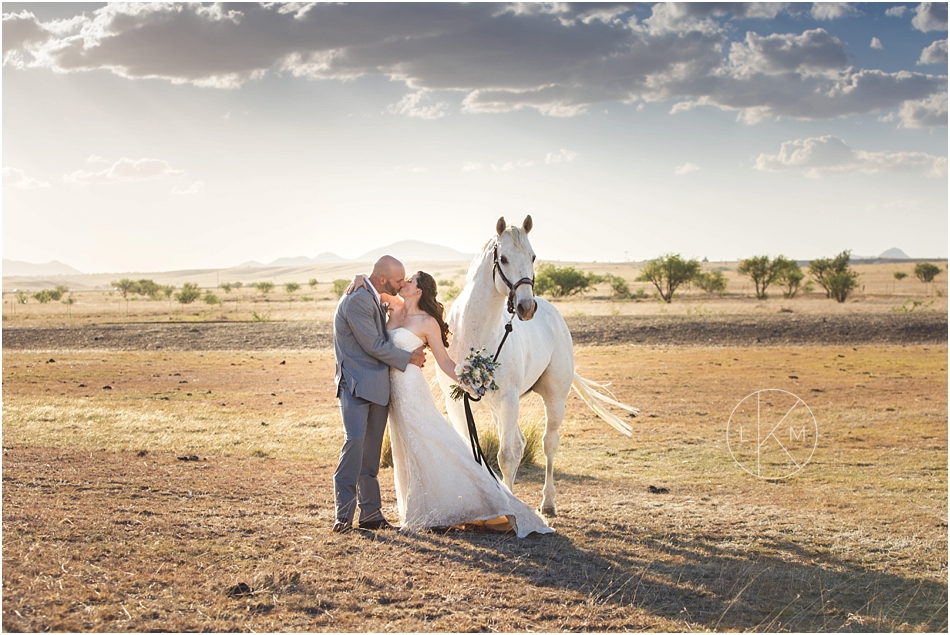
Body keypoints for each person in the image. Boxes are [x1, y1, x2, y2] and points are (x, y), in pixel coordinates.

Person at [357, 269, 553, 537]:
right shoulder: (394, 307)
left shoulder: (428, 323)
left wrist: (470, 379)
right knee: (406, 451)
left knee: (434, 443)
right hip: (391, 394)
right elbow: (370, 288)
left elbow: (445, 362)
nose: (403, 283)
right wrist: (358, 277)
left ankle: (485, 501)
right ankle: (422, 511)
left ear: (419, 290)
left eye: (410, 281)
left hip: (412, 391)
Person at [332, 255, 426, 533]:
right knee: (355, 444)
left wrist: (360, 275)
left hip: (378, 387)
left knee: (371, 454)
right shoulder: (359, 299)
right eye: (398, 280)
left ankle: (371, 514)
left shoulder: (373, 294)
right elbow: (373, 344)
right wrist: (407, 357)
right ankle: (343, 515)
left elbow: (397, 305)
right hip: (356, 385)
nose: (402, 284)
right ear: (383, 279)